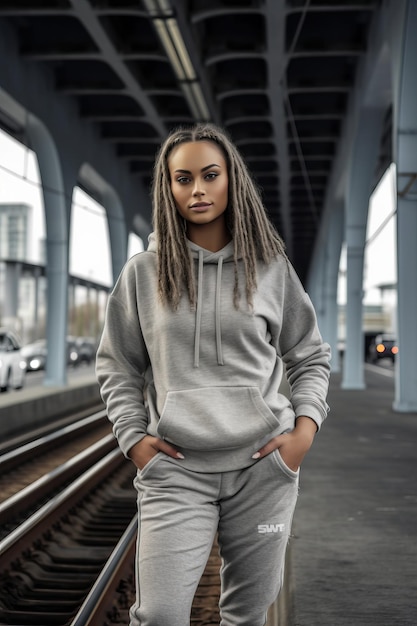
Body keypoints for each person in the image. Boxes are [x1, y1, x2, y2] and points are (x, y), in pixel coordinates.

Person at [96, 122, 331, 626]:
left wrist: (302, 434)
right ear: (169, 188)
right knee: (158, 615)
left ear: (232, 180)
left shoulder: (270, 268)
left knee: (247, 615)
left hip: (263, 470)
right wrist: (134, 440)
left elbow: (309, 355)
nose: (197, 190)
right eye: (183, 179)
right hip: (176, 470)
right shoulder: (144, 272)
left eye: (209, 175)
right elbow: (117, 363)